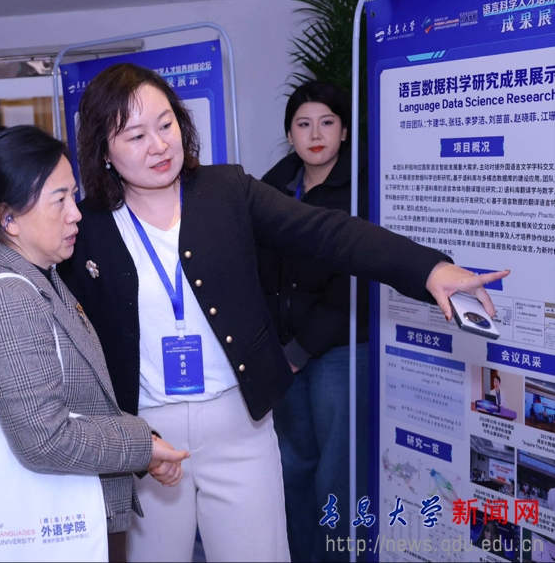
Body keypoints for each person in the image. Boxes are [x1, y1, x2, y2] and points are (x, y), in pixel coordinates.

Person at [59, 63, 508, 562]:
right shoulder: (86, 227)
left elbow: (328, 233)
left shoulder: (225, 191)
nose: (159, 145)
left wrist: (428, 269)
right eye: (136, 136)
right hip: (146, 435)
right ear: (103, 150)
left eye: (166, 125)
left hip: (239, 423)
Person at [0, 125, 191, 563]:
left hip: (79, 514)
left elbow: (85, 403)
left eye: (74, 195)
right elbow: (45, 438)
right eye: (59, 200)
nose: (76, 214)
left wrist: (144, 446)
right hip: (54, 526)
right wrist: (141, 445)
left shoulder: (42, 277)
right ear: (8, 218)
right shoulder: (10, 298)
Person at [258, 80, 368, 562]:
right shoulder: (270, 189)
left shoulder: (363, 189)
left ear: (344, 131)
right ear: (290, 135)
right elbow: (258, 271)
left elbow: (355, 281)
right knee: (293, 467)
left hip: (338, 349)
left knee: (337, 476)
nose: (316, 134)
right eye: (304, 124)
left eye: (327, 122)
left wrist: (301, 349)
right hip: (284, 352)